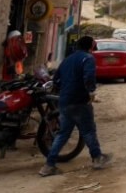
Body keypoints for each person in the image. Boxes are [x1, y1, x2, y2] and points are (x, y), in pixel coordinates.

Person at [40, 36, 112, 176]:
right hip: (80, 101)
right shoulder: (88, 58)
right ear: (91, 46)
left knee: (62, 134)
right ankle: (97, 158)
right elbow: (89, 77)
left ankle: (48, 166)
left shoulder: (67, 59)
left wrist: (65, 91)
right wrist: (91, 92)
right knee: (88, 131)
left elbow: (56, 80)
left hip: (64, 102)